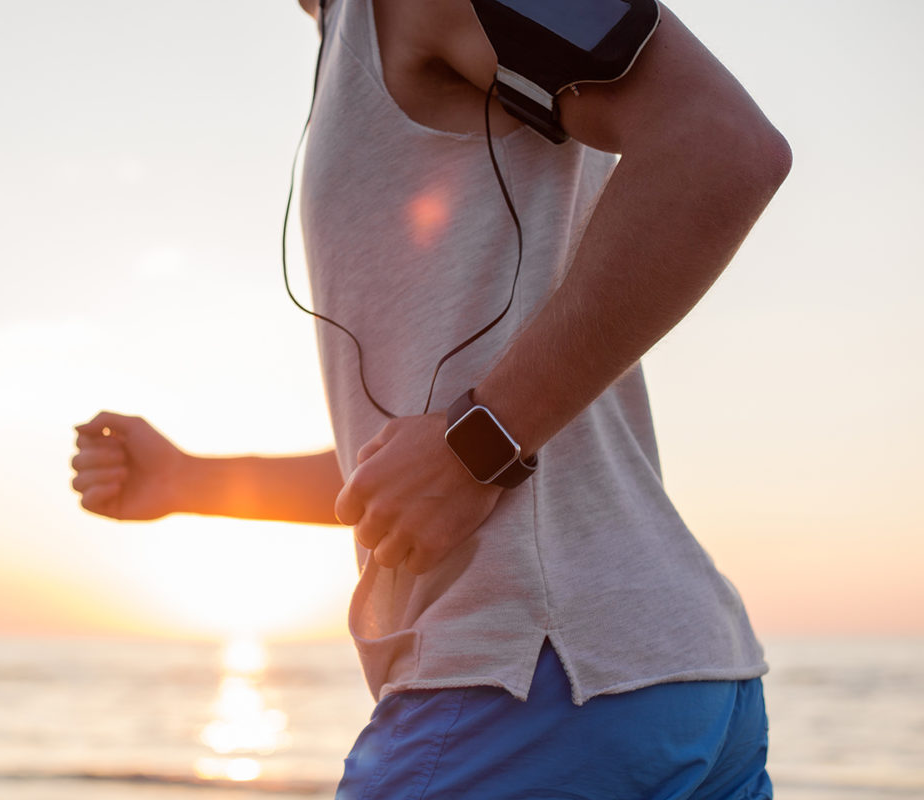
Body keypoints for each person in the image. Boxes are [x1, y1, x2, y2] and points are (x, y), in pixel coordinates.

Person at [72, 0, 791, 795]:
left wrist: (474, 447)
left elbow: (722, 146)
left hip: (536, 684)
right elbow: (421, 474)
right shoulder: (354, 40)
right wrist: (187, 481)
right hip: (670, 679)